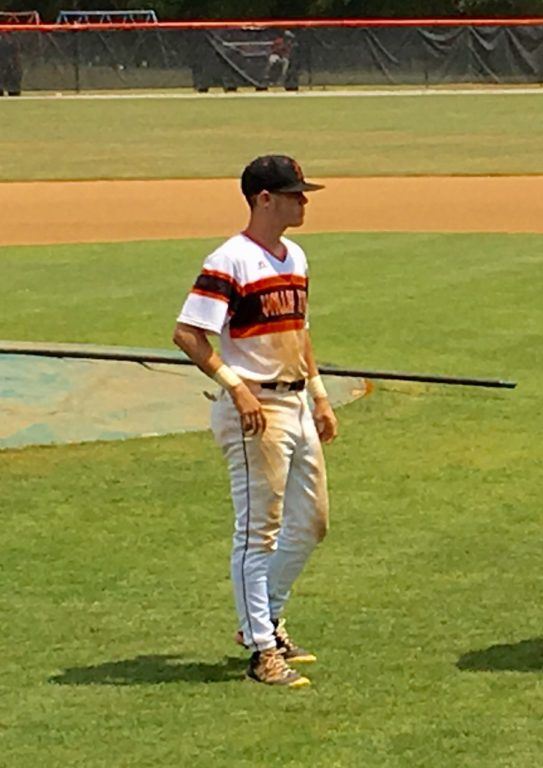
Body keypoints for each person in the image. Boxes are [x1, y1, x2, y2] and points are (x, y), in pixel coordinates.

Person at [172, 155, 338, 689]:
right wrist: (236, 387)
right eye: (293, 194)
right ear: (264, 199)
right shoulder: (230, 260)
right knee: (257, 533)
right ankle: (263, 650)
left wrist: (319, 394)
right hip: (256, 410)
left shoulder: (296, 257)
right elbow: (188, 333)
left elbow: (300, 330)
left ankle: (264, 621)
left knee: (312, 523)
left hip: (295, 402)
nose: (303, 201)